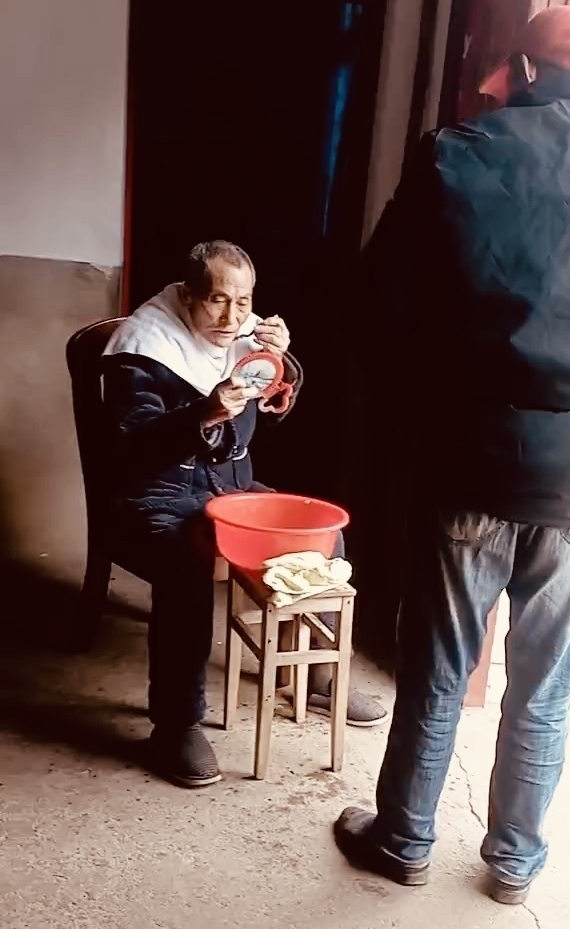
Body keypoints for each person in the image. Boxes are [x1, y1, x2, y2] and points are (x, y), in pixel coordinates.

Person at [333, 6, 570, 904]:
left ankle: (405, 839)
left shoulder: (456, 157)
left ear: (526, 68)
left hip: (467, 463)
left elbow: (374, 310)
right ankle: (513, 864)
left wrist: (430, 425)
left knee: (437, 670)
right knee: (546, 688)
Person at [103, 240, 387, 789]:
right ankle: (176, 723)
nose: (232, 317)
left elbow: (273, 393)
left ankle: (318, 678)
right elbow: (131, 447)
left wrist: (289, 365)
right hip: (156, 492)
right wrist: (202, 413)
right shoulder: (142, 345)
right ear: (187, 296)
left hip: (230, 488)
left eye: (244, 301)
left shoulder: (245, 335)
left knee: (322, 538)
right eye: (217, 300)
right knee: (187, 558)